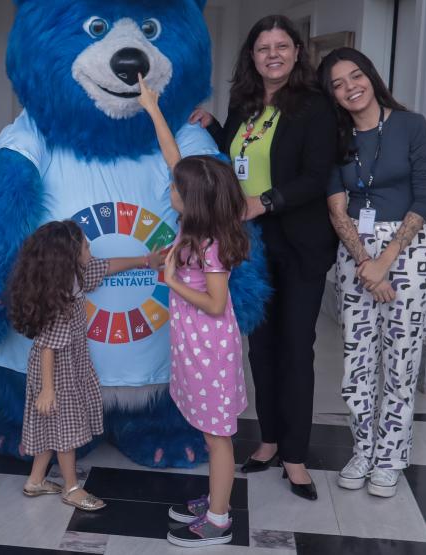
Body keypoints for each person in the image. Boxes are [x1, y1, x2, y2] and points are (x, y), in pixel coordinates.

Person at [190, 15, 338, 500]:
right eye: (262, 48)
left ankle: (295, 456)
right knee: (262, 346)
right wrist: (213, 128)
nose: (271, 54)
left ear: (297, 51)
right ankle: (269, 440)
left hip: (298, 242)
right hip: (249, 246)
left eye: (280, 46)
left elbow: (318, 175)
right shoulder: (245, 102)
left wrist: (266, 201)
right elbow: (236, 160)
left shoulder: (315, 106)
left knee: (296, 348)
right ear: (251, 57)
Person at [319, 47, 426, 498]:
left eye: (356, 76)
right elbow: (335, 206)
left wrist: (385, 260)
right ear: (332, 95)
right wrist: (365, 262)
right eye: (338, 83)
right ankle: (362, 450)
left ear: (370, 76)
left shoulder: (412, 125)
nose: (351, 87)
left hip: (409, 253)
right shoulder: (335, 136)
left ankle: (390, 457)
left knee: (401, 360)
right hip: (355, 254)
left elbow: (424, 197)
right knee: (357, 362)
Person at [139, 76, 250, 547]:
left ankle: (219, 522)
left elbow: (216, 302)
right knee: (210, 435)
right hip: (196, 348)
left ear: (193, 199)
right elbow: (175, 158)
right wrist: (152, 108)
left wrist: (171, 283)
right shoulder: (194, 224)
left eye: (175, 187)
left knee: (217, 438)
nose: (170, 187)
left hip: (212, 351)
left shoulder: (209, 244)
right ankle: (217, 497)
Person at [8, 220, 163, 512]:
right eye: (86, 245)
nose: (91, 248)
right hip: (55, 371)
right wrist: (48, 390)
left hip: (69, 364)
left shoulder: (74, 275)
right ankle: (72, 488)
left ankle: (36, 480)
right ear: (68, 253)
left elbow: (105, 267)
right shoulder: (60, 297)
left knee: (50, 425)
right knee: (66, 430)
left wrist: (145, 260)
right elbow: (48, 348)